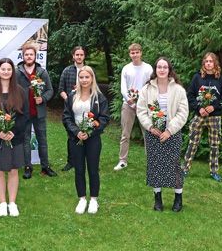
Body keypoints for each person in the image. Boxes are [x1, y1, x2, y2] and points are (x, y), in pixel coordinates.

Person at [137, 57, 189, 212]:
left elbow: (183, 112)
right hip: (153, 133)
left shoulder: (178, 89)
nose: (161, 70)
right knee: (155, 165)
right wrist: (150, 127)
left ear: (169, 69)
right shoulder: (147, 89)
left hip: (172, 133)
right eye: (159, 67)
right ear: (155, 69)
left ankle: (178, 198)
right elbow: (141, 110)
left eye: (164, 67)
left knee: (174, 166)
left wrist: (169, 130)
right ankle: (157, 199)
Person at [0, 58, 28, 217]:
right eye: (3, 69)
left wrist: (13, 131)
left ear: (12, 72)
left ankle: (12, 203)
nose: (6, 72)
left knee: (14, 170)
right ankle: (2, 203)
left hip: (15, 138)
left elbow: (24, 116)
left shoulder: (21, 91)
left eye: (9, 69)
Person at [62, 66, 110, 215]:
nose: (84, 80)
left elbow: (104, 118)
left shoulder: (99, 97)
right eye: (81, 77)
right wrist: (76, 132)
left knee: (93, 169)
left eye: (87, 77)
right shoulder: (72, 96)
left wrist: (90, 132)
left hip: (93, 139)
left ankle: (94, 199)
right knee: (79, 170)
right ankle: (82, 198)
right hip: (75, 138)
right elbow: (66, 117)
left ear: (92, 78)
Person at [182, 52, 222, 182]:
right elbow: (190, 95)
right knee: (193, 142)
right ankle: (184, 169)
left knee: (214, 144)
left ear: (215, 63)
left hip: (215, 117)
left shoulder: (220, 79)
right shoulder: (197, 78)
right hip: (199, 115)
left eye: (211, 61)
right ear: (203, 63)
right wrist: (199, 108)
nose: (208, 63)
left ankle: (214, 171)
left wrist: (214, 107)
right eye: (206, 61)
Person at [16, 41, 57, 179]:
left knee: (42, 140)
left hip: (39, 113)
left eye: (31, 54)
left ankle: (45, 167)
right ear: (23, 56)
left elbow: (50, 90)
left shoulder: (41, 72)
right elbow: (12, 91)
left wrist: (43, 98)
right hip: (23, 113)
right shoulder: (17, 72)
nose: (29, 56)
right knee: (25, 140)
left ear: (35, 56)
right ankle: (28, 167)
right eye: (26, 54)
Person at [114, 43, 153, 171]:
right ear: (129, 54)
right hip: (128, 105)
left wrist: (141, 102)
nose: (135, 55)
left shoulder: (148, 68)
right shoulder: (126, 68)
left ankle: (151, 162)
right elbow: (123, 88)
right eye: (132, 53)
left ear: (141, 53)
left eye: (137, 52)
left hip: (144, 106)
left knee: (147, 134)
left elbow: (151, 86)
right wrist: (130, 101)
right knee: (125, 134)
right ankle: (122, 161)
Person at [58, 46, 86, 172]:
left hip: (85, 108)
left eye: (81, 54)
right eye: (77, 54)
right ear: (73, 56)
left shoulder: (88, 71)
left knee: (86, 133)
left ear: (84, 56)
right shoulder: (67, 71)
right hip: (70, 108)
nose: (79, 57)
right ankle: (71, 162)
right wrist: (69, 100)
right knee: (71, 135)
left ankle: (86, 160)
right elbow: (61, 90)